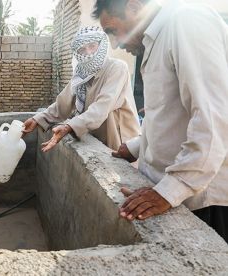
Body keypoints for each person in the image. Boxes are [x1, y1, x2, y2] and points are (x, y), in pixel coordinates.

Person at [93, 0, 228, 242]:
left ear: (134, 7)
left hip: (203, 197)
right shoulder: (156, 40)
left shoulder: (186, 21)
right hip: (178, 193)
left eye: (113, 30)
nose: (116, 43)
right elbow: (169, 113)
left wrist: (168, 192)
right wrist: (136, 146)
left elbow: (214, 118)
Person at [23, 26, 140, 152]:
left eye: (92, 46)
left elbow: (101, 108)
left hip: (121, 139)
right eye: (82, 50)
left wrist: (69, 127)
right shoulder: (81, 73)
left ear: (101, 45)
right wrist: (37, 119)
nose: (88, 53)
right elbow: (62, 105)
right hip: (96, 135)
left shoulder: (116, 68)